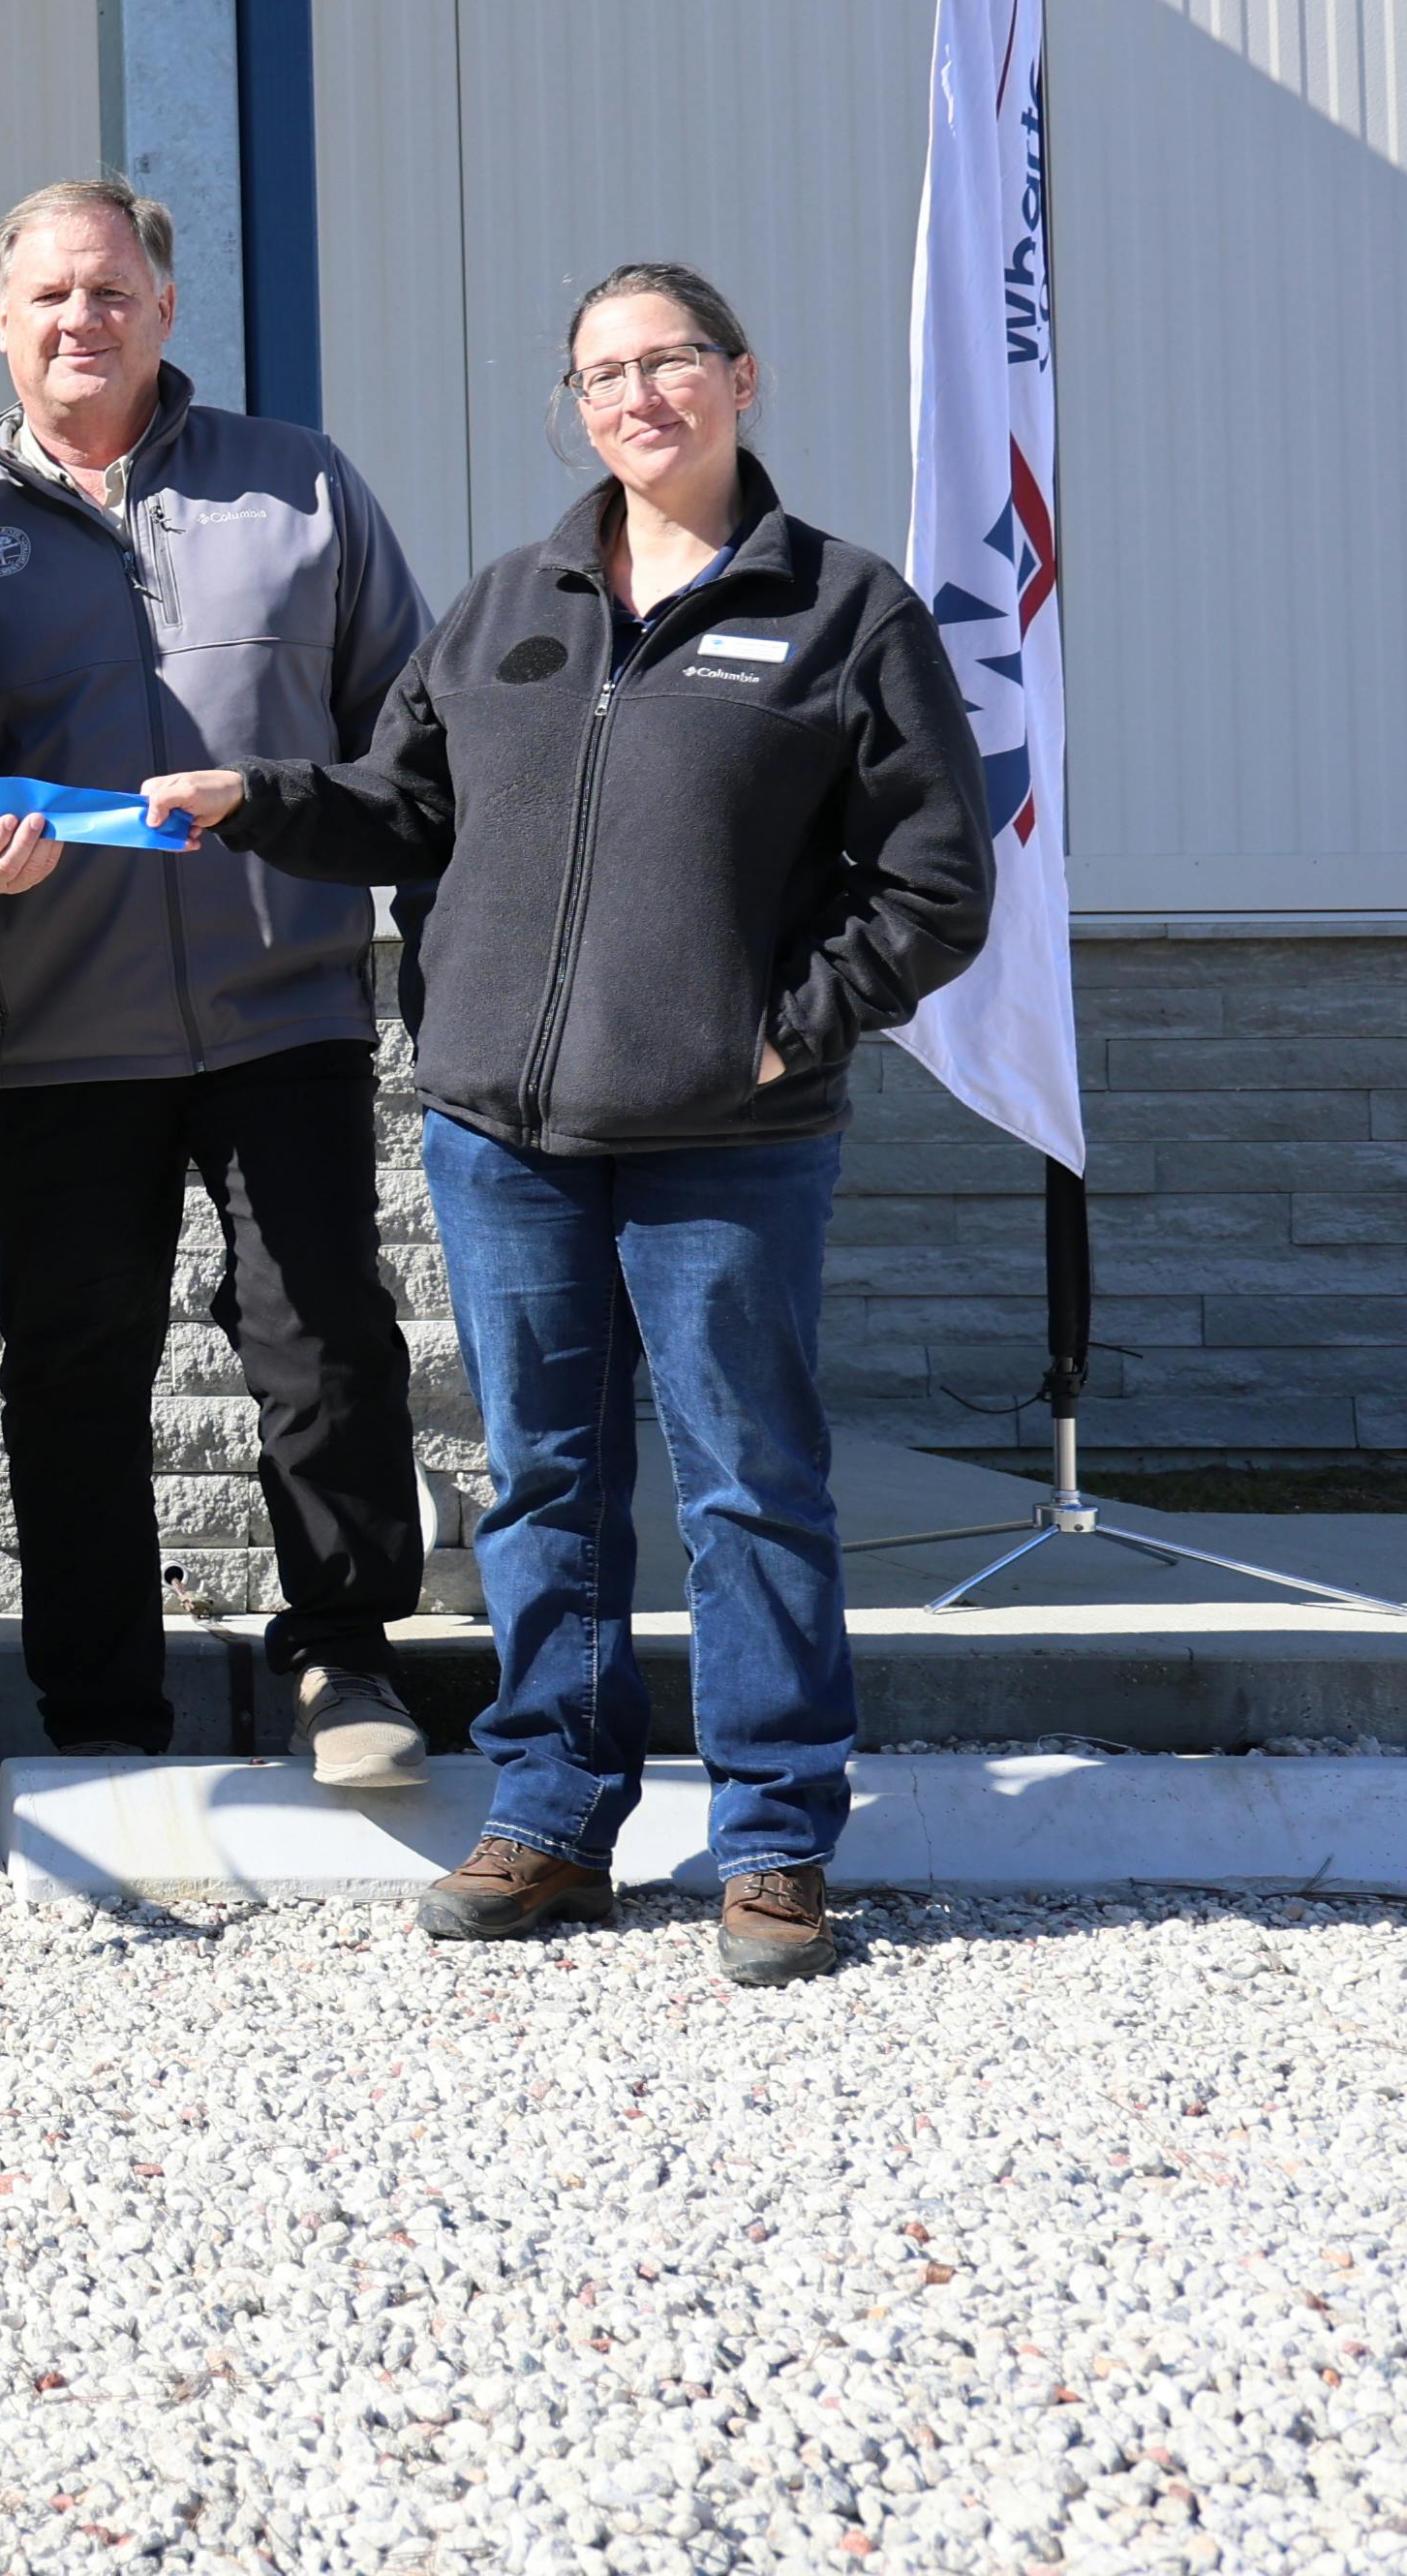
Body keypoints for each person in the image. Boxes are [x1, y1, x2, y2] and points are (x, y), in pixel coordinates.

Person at [144, 261, 988, 1989]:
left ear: (741, 378)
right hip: (503, 1135)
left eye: (668, 360)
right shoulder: (512, 600)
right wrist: (256, 799)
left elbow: (935, 885)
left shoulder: (843, 611)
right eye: (600, 373)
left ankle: (772, 1839)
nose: (635, 397)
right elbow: (406, 802)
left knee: (750, 1486)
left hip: (726, 1142)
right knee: (542, 1485)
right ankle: (553, 1809)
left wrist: (779, 1037)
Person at [0, 181, 442, 1786]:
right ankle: (99, 1715)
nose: (84, 318)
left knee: (324, 1336)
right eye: (50, 295)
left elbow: (412, 740)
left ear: (163, 305)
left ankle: (345, 1663)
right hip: (59, 1025)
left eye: (113, 288)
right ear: (1, 322)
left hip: (285, 1003)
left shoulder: (299, 487)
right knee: (73, 1368)